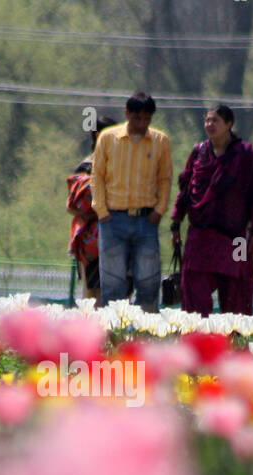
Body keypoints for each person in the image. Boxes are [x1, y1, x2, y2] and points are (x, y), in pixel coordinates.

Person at [169, 105, 253, 316]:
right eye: (208, 121)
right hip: (200, 235)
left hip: (237, 238)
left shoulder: (246, 156)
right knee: (194, 296)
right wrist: (176, 224)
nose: (210, 125)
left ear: (229, 124)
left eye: (216, 121)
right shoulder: (199, 153)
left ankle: (235, 345)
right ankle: (198, 343)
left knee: (236, 294)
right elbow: (185, 189)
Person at [91, 92, 172, 312]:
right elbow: (96, 175)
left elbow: (164, 179)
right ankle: (113, 335)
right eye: (137, 118)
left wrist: (160, 210)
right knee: (113, 283)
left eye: (147, 119)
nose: (142, 123)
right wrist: (101, 210)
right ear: (127, 114)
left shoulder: (160, 141)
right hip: (112, 218)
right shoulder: (108, 138)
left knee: (148, 280)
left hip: (146, 219)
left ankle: (145, 334)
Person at [67, 115, 117, 301]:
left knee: (120, 296)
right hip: (93, 242)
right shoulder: (86, 167)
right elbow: (72, 206)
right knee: (93, 296)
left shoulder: (121, 165)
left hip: (119, 236)